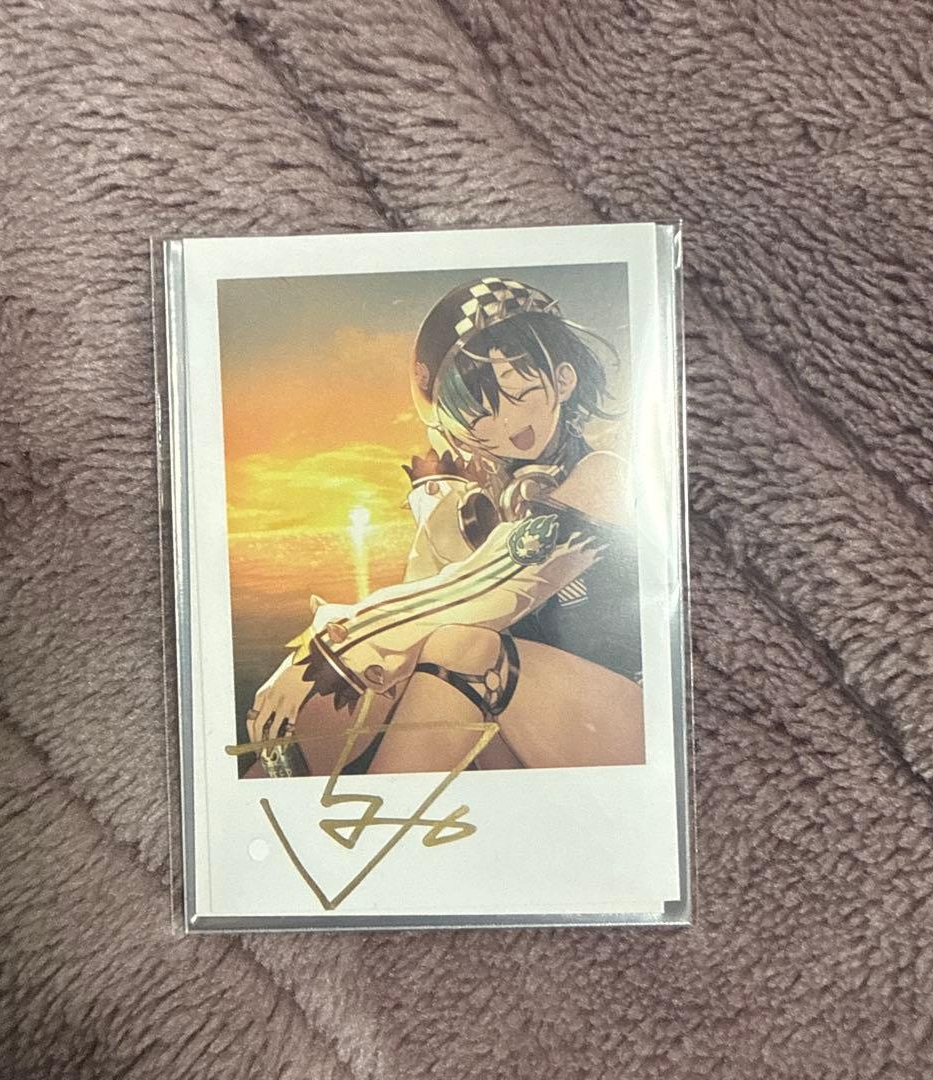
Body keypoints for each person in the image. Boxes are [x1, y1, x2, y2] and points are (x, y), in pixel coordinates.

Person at [246, 276, 644, 775]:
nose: (504, 426)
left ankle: (377, 817)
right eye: (477, 418)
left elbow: (495, 586)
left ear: (563, 380)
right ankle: (272, 789)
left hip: (625, 726)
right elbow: (427, 607)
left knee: (462, 648)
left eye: (518, 393)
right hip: (531, 728)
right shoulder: (489, 503)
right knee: (393, 667)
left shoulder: (603, 474)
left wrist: (329, 641)